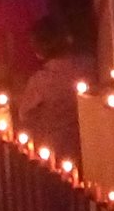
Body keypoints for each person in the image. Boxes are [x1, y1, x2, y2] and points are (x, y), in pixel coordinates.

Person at [14, 17, 90, 160]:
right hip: (89, 141)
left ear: (38, 50)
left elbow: (24, 114)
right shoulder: (87, 66)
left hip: (53, 148)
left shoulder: (41, 81)